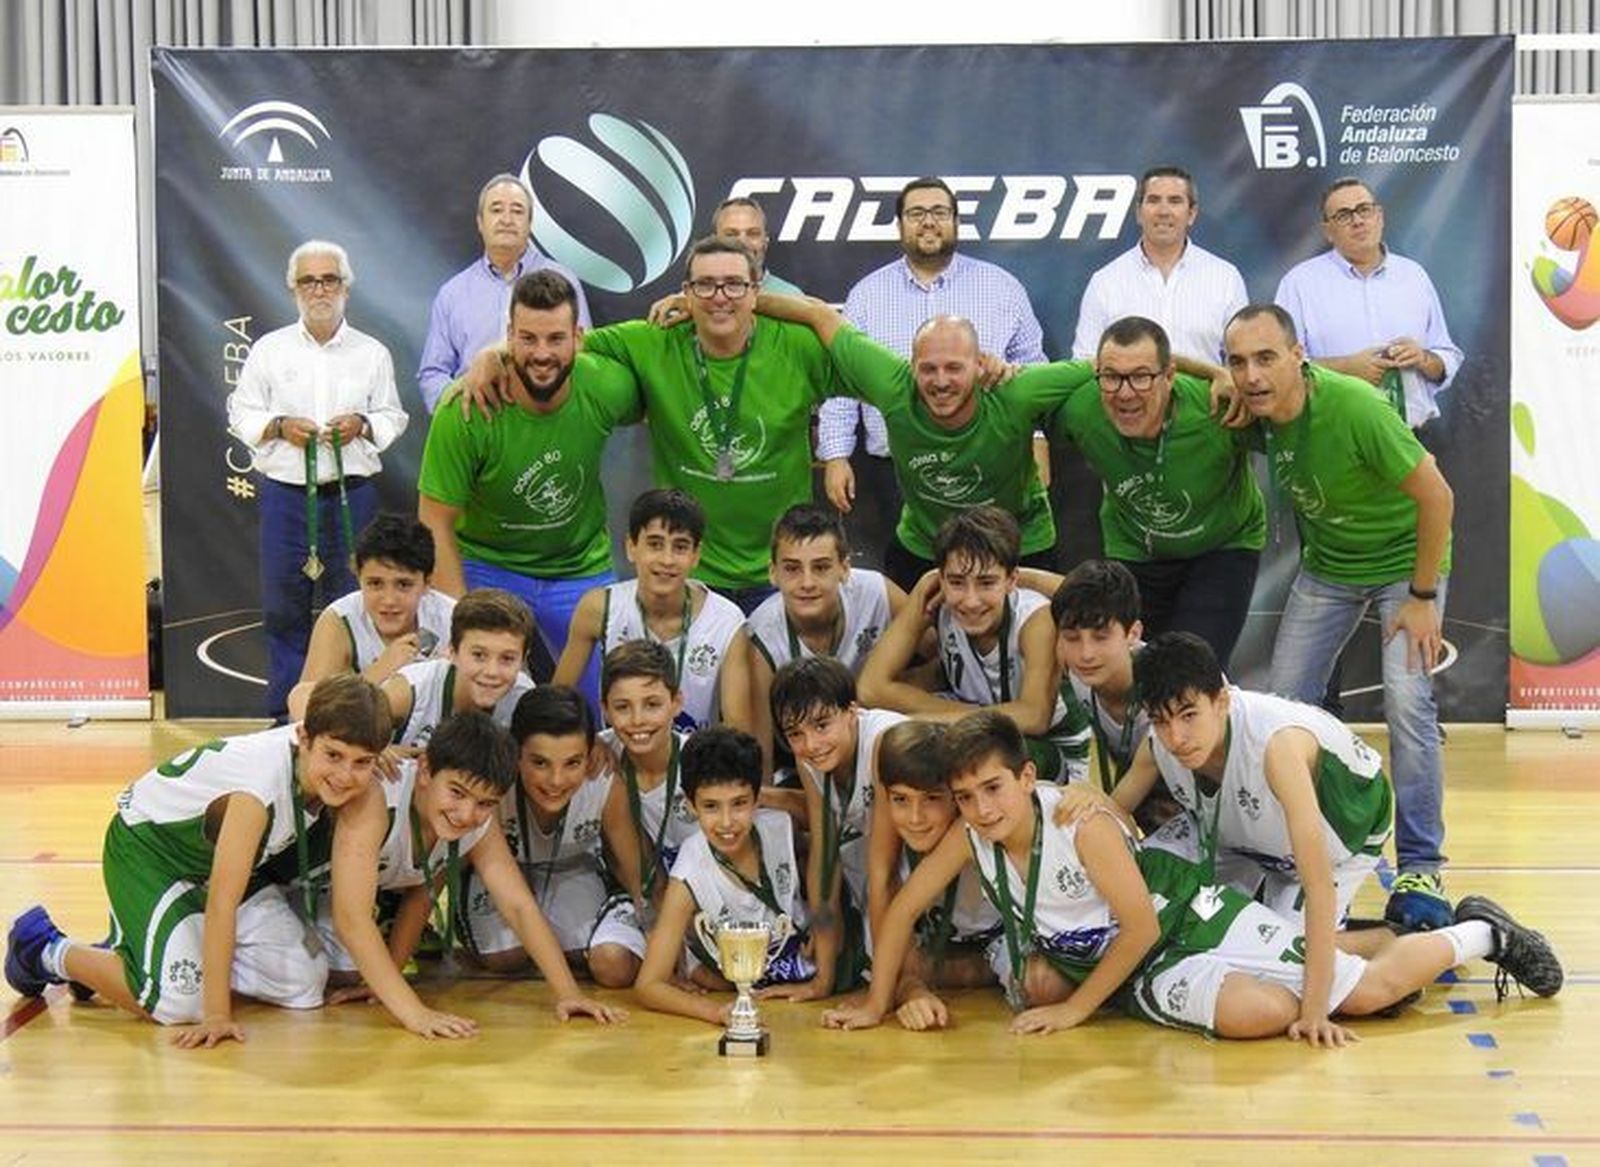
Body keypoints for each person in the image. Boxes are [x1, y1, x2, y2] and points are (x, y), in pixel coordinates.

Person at [821, 710, 1561, 1042]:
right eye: (965, 797)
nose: (980, 809)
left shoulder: (1080, 824)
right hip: (1148, 965)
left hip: (1187, 921)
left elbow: (1141, 924)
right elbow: (903, 907)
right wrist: (876, 1002)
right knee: (1257, 1018)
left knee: (1365, 997)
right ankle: (1349, 946)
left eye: (992, 789)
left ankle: (1481, 934)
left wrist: (1076, 1012)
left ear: (1024, 777)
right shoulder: (972, 833)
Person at [458, 237, 851, 612]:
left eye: (733, 285)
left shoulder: (793, 343)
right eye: (705, 286)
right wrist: (493, 353)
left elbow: (850, 344)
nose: (720, 296)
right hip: (692, 570)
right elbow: (563, 343)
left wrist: (725, 304)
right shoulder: (652, 338)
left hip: (778, 569)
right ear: (688, 288)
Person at [1225, 304, 1456, 932]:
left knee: (1408, 705)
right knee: (1280, 711)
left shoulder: (1355, 407)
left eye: (1266, 357)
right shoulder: (1256, 408)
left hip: (1405, 568)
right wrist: (1216, 378)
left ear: (1298, 356)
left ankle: (1421, 868)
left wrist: (1422, 596)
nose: (1251, 374)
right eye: (1238, 362)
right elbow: (1197, 378)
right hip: (1329, 570)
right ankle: (1293, 854)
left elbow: (1438, 495)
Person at [5, 675, 390, 1047]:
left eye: (362, 762)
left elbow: (320, 704)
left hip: (215, 866)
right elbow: (222, 904)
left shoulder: (321, 753)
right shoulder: (260, 787)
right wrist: (217, 1015)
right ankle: (43, 948)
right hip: (152, 854)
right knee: (180, 1004)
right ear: (304, 738)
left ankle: (148, 953)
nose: (345, 774)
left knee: (304, 983)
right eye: (334, 756)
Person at [321, 711, 625, 1037]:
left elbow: (517, 906)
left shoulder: (475, 823)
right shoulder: (378, 797)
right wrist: (415, 1014)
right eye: (457, 792)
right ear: (425, 770)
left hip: (347, 891)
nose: (467, 814)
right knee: (338, 971)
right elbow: (351, 918)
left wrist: (568, 993)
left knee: (365, 971)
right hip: (299, 887)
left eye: (485, 803)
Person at [759, 294, 1092, 589]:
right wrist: (740, 298)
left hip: (1019, 543)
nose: (941, 381)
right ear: (912, 367)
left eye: (954, 368)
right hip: (925, 546)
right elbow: (819, 314)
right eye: (928, 369)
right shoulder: (894, 385)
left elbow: (1099, 366)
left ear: (980, 365)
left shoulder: (1015, 391)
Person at [418, 270, 640, 695]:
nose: (542, 354)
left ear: (578, 338)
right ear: (509, 337)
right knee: (478, 691)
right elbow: (434, 521)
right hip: (488, 564)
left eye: (556, 339)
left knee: (614, 694)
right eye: (527, 339)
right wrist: (461, 618)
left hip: (579, 567)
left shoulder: (605, 385)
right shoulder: (465, 408)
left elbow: (661, 389)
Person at [225, 240, 408, 721]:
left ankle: (350, 714)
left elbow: (393, 415)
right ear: (293, 289)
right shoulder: (269, 350)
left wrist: (363, 425)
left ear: (346, 287)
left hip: (353, 496)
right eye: (308, 281)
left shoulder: (372, 352)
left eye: (329, 280)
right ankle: (288, 719)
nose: (319, 290)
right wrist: (279, 426)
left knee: (353, 607)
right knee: (284, 609)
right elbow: (241, 413)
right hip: (286, 498)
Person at [816, 177, 1048, 519]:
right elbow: (843, 380)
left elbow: (1032, 369)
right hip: (896, 472)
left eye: (939, 212)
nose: (928, 222)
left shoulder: (1002, 287)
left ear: (956, 221)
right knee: (904, 556)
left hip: (990, 466)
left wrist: (1037, 438)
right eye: (916, 213)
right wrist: (836, 456)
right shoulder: (866, 295)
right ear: (900, 225)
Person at [1050, 316, 1264, 668]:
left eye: (1141, 377)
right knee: (1129, 667)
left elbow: (1292, 418)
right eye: (1112, 378)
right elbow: (1014, 405)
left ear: (1169, 376)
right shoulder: (1081, 410)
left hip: (1221, 546)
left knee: (1190, 669)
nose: (1125, 393)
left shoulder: (1218, 408)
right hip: (1134, 546)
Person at [859, 506, 1086, 782]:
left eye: (986, 583)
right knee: (882, 736)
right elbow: (870, 688)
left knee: (952, 748)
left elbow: (1034, 716)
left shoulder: (1035, 618)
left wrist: (929, 719)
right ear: (940, 577)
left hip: (1051, 750)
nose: (970, 601)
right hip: (983, 727)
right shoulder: (933, 597)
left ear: (1011, 580)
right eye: (956, 582)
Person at [456, 686, 646, 987]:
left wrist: (665, 955)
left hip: (572, 868)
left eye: (572, 763)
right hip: (503, 874)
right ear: (515, 754)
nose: (556, 781)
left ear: (590, 755)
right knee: (505, 957)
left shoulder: (604, 782)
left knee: (610, 964)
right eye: (540, 763)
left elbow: (636, 874)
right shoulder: (493, 784)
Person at [633, 725, 818, 1026]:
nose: (727, 822)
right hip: (738, 982)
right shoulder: (690, 867)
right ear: (691, 805)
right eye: (711, 807)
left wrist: (826, 928)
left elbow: (831, 819)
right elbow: (648, 985)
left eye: (739, 803)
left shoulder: (781, 826)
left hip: (803, 971)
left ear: (757, 798)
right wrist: (715, 1012)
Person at [1274, 177, 1461, 432]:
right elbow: (1280, 366)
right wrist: (1346, 368)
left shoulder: (1414, 276)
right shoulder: (1299, 283)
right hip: (1335, 437)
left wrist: (1423, 358)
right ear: (1328, 231)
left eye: (1364, 209)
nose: (1357, 221)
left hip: (1411, 438)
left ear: (1379, 217)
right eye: (1343, 215)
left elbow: (1447, 356)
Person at [554, 488, 750, 730]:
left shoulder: (727, 621)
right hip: (619, 749)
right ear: (631, 547)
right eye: (655, 544)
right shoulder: (599, 608)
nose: (667, 560)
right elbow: (556, 703)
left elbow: (737, 728)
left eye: (680, 547)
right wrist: (591, 744)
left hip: (697, 752)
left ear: (696, 555)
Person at [771, 656, 907, 996]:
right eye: (795, 733)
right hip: (879, 853)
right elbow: (824, 856)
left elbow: (884, 871)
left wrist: (878, 997)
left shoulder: (884, 741)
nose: (811, 744)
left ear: (852, 712)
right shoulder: (809, 758)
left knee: (890, 968)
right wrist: (822, 979)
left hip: (934, 858)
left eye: (821, 725)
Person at [861, 720, 1004, 1030]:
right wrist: (881, 1000)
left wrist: (1084, 793)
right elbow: (888, 893)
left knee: (1041, 983)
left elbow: (1031, 787)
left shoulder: (978, 823)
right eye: (901, 800)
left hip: (999, 939)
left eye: (932, 799)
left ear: (956, 796)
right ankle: (913, 991)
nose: (916, 818)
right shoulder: (895, 819)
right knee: (896, 957)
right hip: (938, 942)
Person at [746, 504, 905, 775]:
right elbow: (762, 749)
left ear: (845, 568)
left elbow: (938, 660)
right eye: (792, 569)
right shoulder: (760, 635)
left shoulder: (877, 593)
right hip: (806, 760)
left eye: (820, 567)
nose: (807, 582)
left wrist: (886, 688)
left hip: (879, 746)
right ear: (773, 573)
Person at [417, 173, 592, 413]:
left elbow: (585, 354)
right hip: (476, 420)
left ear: (530, 223)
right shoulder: (452, 293)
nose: (507, 219)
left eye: (517, 211)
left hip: (547, 419)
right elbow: (432, 374)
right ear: (480, 222)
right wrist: (460, 406)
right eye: (497, 210)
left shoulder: (564, 282)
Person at [1071, 166, 1248, 363]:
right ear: (1139, 213)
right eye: (1154, 200)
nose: (1163, 211)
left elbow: (1243, 360)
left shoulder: (1225, 279)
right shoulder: (1105, 282)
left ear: (1191, 214)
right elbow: (1085, 361)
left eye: (1175, 201)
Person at [287, 513, 454, 709]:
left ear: (427, 583)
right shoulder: (339, 620)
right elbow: (305, 709)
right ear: (358, 577)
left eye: (403, 585)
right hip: (360, 728)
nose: (389, 600)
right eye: (375, 583)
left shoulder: (451, 618)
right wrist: (378, 672)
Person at [1049, 561, 1163, 818]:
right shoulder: (1072, 669)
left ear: (1133, 633)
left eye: (1101, 637)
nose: (1086, 654)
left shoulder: (1165, 683)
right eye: (1072, 638)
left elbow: (1118, 810)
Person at [595, 640, 696, 905]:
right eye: (622, 707)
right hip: (633, 896)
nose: (637, 720)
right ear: (605, 709)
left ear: (676, 702)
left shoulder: (705, 761)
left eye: (652, 704)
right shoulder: (596, 755)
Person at [374, 588, 536, 748]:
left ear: (523, 659)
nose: (492, 672)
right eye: (479, 655)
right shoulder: (408, 692)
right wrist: (380, 752)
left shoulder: (524, 697)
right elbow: (358, 735)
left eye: (507, 659)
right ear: (452, 651)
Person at [713, 196, 802, 295]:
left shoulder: (792, 298)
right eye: (731, 234)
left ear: (765, 242)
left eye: (753, 233)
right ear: (714, 243)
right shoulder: (700, 295)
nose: (743, 242)